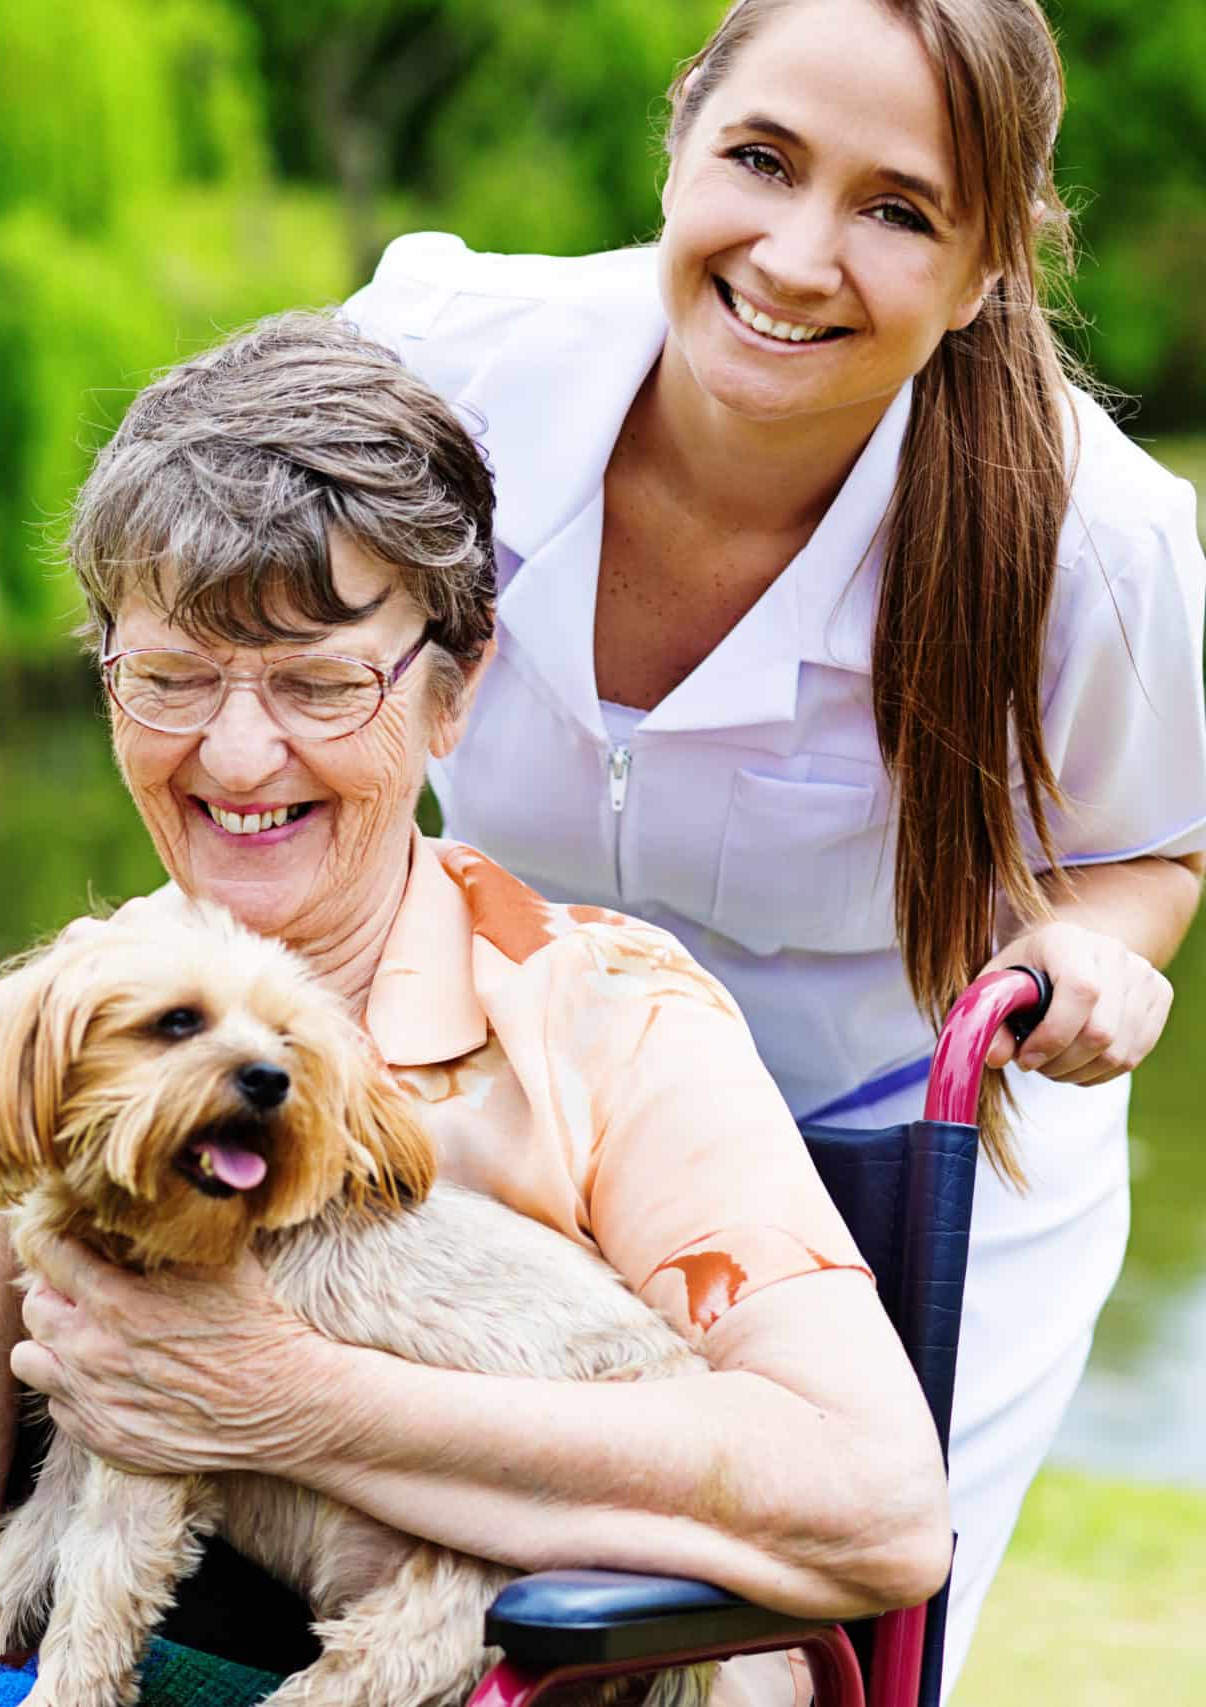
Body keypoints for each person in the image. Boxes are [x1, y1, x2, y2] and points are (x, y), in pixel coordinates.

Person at [0, 312, 950, 1707]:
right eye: (170, 676)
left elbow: (878, 1505)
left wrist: (294, 1400)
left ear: (455, 695)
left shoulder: (607, 1021)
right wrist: (35, 1138)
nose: (239, 751)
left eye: (321, 683)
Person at [330, 0, 1206, 1697]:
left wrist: (1094, 956)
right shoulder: (448, 356)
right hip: (512, 1117)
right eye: (761, 160)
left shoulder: (1093, 545)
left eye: (898, 208)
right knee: (433, 1615)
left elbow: (1155, 845)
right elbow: (245, 599)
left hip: (890, 1171)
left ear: (990, 268)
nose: (799, 256)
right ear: (680, 140)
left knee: (794, 1659)